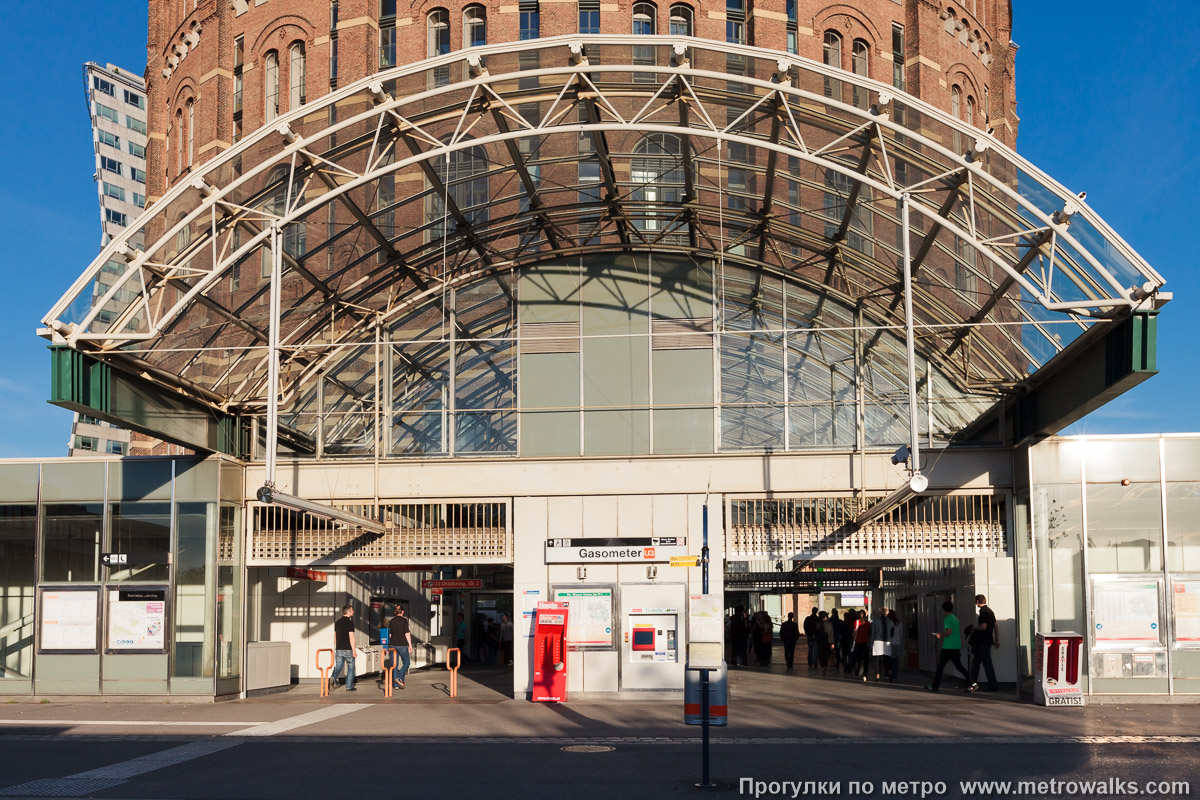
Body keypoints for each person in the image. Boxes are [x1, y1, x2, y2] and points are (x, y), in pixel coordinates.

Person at [926, 601, 970, 693]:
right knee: (959, 666)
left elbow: (949, 632)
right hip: (956, 646)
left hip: (948, 647)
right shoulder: (955, 618)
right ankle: (972, 682)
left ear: (944, 609)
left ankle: (935, 686)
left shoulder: (947, 619)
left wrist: (940, 635)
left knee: (940, 667)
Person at [967, 594, 1000, 693]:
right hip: (988, 641)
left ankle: (990, 685)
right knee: (979, 662)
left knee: (984, 663)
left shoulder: (983, 612)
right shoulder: (990, 611)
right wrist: (997, 639)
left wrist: (974, 628)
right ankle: (974, 683)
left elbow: (983, 627)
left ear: (977, 602)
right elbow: (996, 626)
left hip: (982, 642)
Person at [329, 604, 358, 692]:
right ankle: (349, 686)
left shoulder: (337, 622)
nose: (353, 612)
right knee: (351, 667)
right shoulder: (350, 622)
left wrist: (337, 646)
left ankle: (333, 678)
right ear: (348, 612)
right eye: (352, 610)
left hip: (339, 648)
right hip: (348, 649)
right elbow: (351, 637)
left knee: (339, 665)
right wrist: (354, 650)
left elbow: (335, 637)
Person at [387, 604, 413, 690]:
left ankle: (396, 685)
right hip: (402, 645)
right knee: (407, 662)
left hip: (392, 644)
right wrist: (410, 644)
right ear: (402, 612)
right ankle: (399, 678)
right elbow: (407, 633)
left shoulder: (391, 621)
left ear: (395, 612)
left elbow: (390, 635)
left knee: (394, 664)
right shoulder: (404, 621)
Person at [870, 606, 893, 682]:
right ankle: (889, 673)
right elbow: (892, 633)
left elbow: (872, 633)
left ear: (880, 612)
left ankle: (877, 675)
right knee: (887, 659)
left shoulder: (875, 621)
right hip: (887, 642)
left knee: (877, 660)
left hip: (877, 641)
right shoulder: (891, 622)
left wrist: (870, 644)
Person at [852, 610, 872, 679]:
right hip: (866, 642)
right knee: (866, 659)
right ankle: (865, 674)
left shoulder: (856, 622)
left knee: (858, 658)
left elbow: (854, 633)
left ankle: (857, 672)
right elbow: (870, 633)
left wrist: (853, 639)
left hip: (858, 642)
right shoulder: (868, 623)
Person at [886, 609, 904, 682]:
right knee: (895, 661)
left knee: (888, 661)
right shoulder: (899, 623)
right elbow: (901, 634)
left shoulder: (887, 623)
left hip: (888, 644)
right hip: (897, 643)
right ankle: (895, 676)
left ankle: (888, 674)